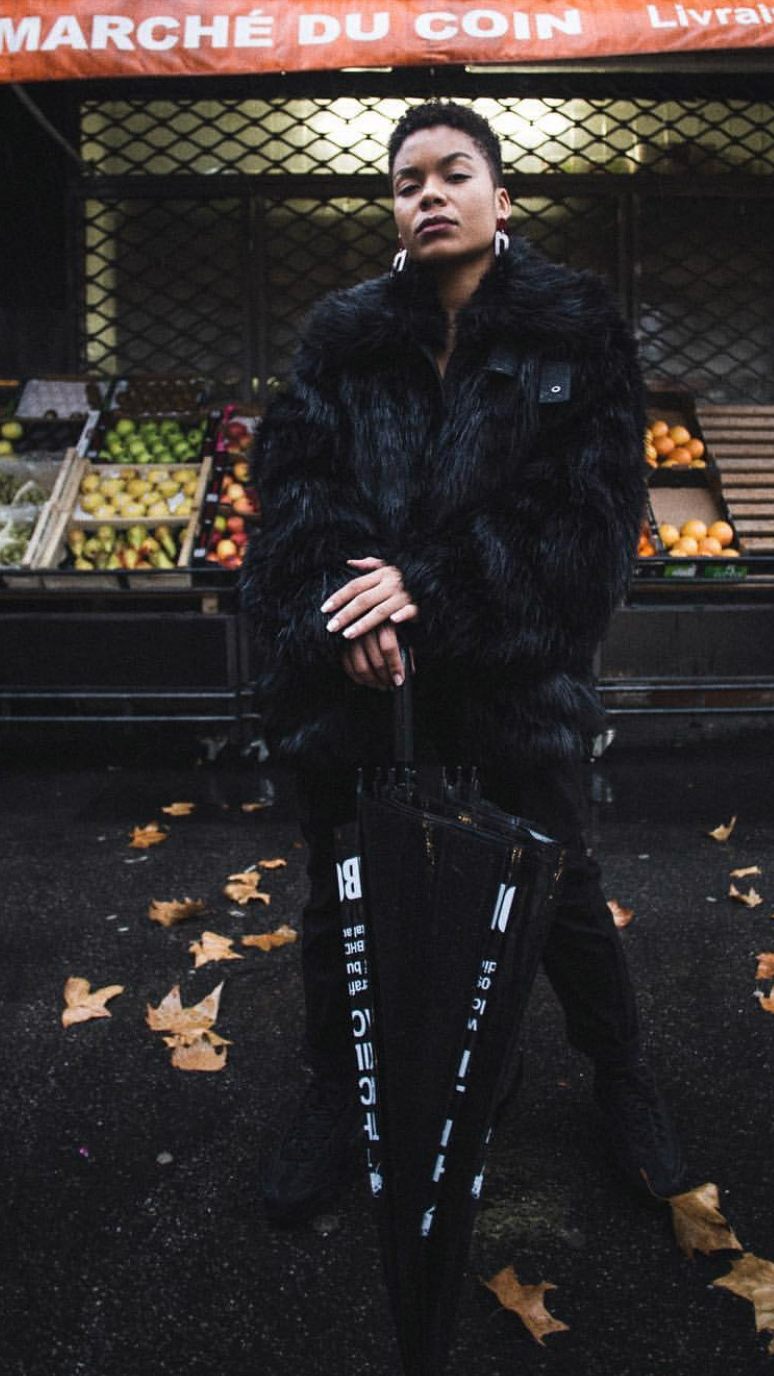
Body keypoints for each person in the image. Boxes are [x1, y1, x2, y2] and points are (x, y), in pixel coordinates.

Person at [240, 100, 684, 1226]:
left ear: (500, 197)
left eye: (453, 173)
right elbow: (295, 497)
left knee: (558, 885)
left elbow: (587, 521)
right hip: (363, 685)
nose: (429, 194)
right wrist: (350, 615)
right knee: (345, 893)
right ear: (393, 210)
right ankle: (337, 1094)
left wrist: (428, 590)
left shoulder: (574, 330)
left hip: (513, 680)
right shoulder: (344, 338)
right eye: (407, 182)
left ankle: (622, 1078)